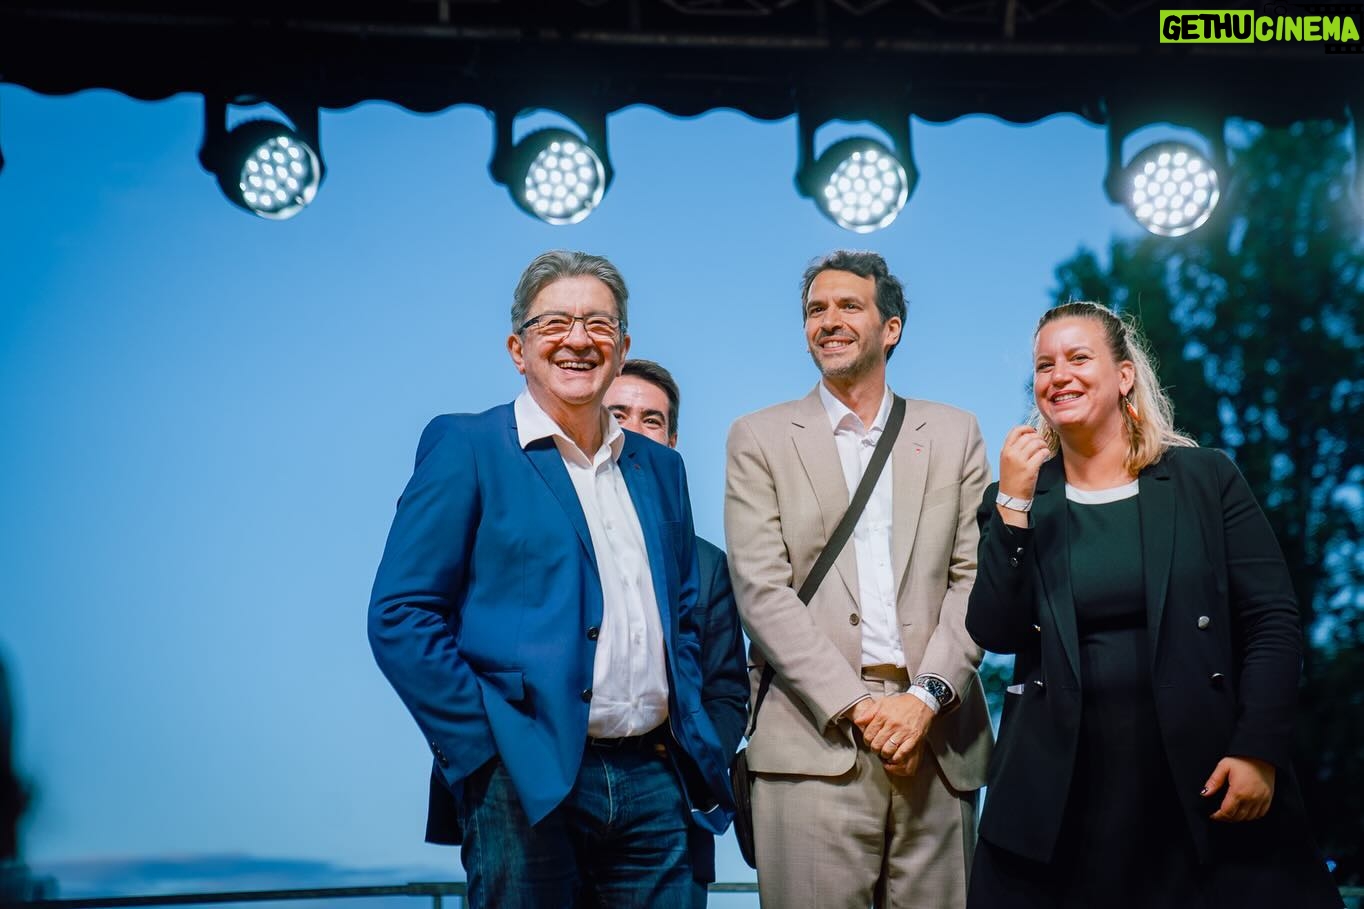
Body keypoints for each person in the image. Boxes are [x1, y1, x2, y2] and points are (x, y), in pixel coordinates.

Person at [368, 250, 734, 909]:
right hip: (523, 781)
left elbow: (681, 615)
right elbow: (401, 614)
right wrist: (487, 750)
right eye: (555, 322)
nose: (578, 339)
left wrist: (688, 736)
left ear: (623, 348)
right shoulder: (469, 446)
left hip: (657, 782)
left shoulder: (661, 470)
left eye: (599, 324)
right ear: (518, 349)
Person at [964, 300, 1342, 908]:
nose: (1059, 375)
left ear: (1124, 376)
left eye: (1078, 358)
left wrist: (1257, 748)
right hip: (1062, 794)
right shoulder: (1017, 498)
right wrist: (1013, 504)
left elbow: (1271, 620)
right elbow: (996, 630)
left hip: (1200, 774)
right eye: (1044, 365)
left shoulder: (1204, 478)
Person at [724, 250, 993, 908]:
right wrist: (862, 707)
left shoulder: (955, 432)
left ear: (890, 328)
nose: (829, 320)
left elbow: (976, 582)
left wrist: (924, 698)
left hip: (937, 740)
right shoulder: (758, 437)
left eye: (849, 305)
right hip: (811, 741)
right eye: (815, 309)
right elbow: (761, 592)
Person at [604, 358, 748, 908]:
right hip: (555, 803)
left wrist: (686, 765)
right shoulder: (548, 539)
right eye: (618, 414)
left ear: (673, 442)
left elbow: (727, 692)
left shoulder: (708, 566)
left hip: (670, 805)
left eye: (652, 420)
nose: (634, 429)